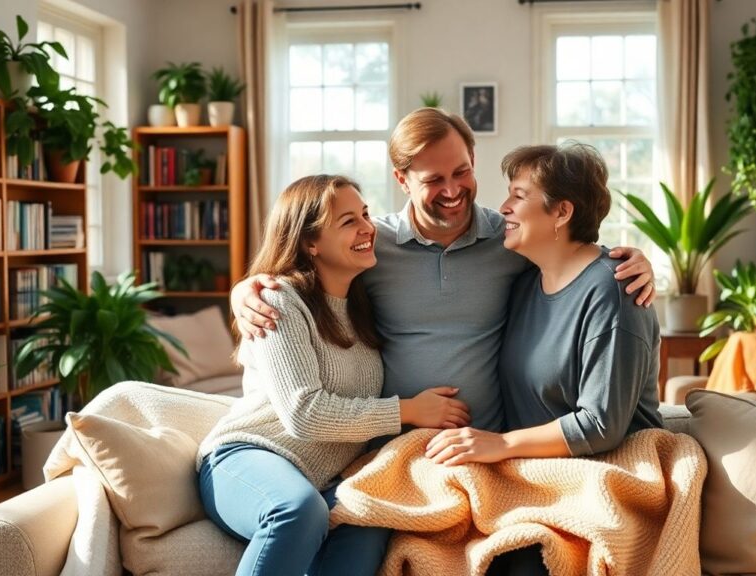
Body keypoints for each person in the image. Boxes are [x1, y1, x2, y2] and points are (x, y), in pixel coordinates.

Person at [231, 108, 656, 440]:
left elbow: (571, 253)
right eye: (434, 180)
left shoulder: (509, 241)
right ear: (401, 180)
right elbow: (300, 265)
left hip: (486, 443)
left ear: (473, 159)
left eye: (461, 172)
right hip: (394, 445)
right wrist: (245, 290)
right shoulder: (369, 245)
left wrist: (630, 261)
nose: (453, 191)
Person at [197, 174, 471, 576]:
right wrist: (409, 410)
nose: (367, 228)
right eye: (348, 222)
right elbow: (303, 413)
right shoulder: (278, 299)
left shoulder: (363, 303)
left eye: (365, 214)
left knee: (369, 525)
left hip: (328, 479)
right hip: (248, 456)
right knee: (296, 510)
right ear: (310, 243)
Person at [423, 142, 664, 575]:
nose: (504, 207)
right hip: (527, 480)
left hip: (597, 478)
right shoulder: (524, 283)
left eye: (519, 195)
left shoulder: (616, 290)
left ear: (562, 213)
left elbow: (601, 424)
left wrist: (498, 444)